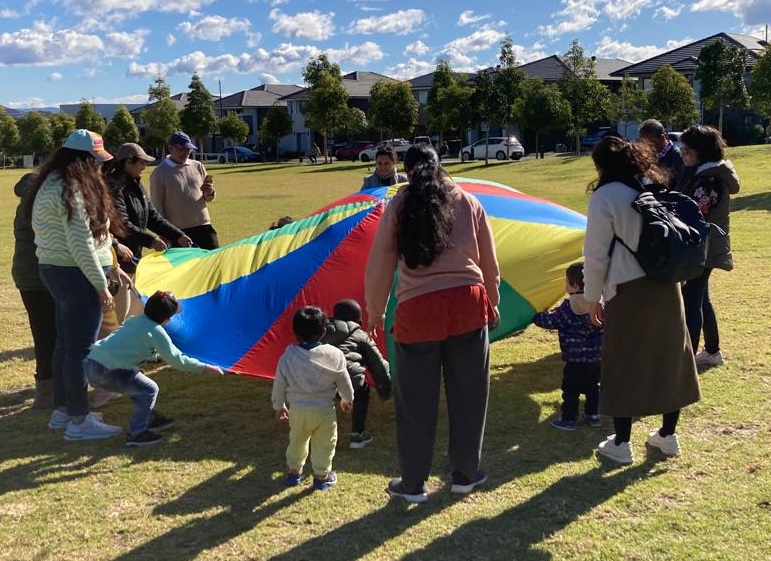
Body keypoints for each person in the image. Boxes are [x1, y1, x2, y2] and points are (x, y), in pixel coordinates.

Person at [365, 143, 500, 503]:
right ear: (441, 166)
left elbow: (382, 260)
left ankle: (412, 484)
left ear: (405, 170)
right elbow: (489, 260)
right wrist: (494, 302)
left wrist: (375, 311)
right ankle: (466, 474)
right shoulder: (468, 201)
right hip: (468, 305)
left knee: (415, 403)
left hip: (417, 312)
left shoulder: (400, 204)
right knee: (470, 396)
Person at [583, 135, 701, 464]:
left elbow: (595, 255)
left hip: (627, 288)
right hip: (666, 283)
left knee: (623, 363)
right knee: (670, 358)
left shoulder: (605, 196)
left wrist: (592, 298)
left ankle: (621, 443)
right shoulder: (652, 186)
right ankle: (668, 435)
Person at [28, 129, 128, 440]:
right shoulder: (73, 189)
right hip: (76, 275)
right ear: (82, 160)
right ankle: (79, 420)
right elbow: (81, 243)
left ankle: (63, 410)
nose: (99, 167)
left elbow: (88, 235)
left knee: (65, 344)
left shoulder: (50, 183)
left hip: (56, 271)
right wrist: (100, 285)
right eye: (95, 161)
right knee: (80, 350)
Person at [83, 290, 224, 446]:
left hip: (91, 364)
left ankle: (150, 417)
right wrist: (206, 368)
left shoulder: (135, 320)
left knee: (137, 381)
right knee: (149, 389)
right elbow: (178, 361)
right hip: (108, 372)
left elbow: (134, 345)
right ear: (166, 319)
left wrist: (155, 355)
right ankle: (136, 433)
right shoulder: (155, 331)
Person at [104, 142, 192, 322]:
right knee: (119, 312)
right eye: (141, 162)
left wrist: (177, 235)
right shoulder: (114, 187)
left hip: (134, 257)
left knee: (134, 309)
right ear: (129, 162)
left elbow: (152, 217)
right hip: (117, 259)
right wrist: (151, 241)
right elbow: (122, 223)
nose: (145, 166)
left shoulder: (136, 185)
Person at [272, 306, 354, 491]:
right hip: (324, 410)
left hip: (298, 410)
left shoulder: (288, 356)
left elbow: (279, 384)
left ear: (294, 332)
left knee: (297, 440)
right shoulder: (334, 355)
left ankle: (294, 472)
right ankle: (321, 476)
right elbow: (344, 381)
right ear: (324, 331)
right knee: (325, 444)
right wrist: (346, 399)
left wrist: (279, 405)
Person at [678, 125, 740, 367]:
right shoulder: (705, 175)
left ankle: (687, 360)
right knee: (701, 298)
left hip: (704, 249)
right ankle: (712, 352)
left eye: (687, 151)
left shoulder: (708, 180)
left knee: (692, 299)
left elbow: (694, 214)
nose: (682, 155)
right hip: (706, 247)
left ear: (701, 152)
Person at [532, 262, 603, 431]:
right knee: (593, 387)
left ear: (575, 285)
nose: (565, 286)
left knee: (571, 389)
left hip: (575, 358)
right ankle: (593, 415)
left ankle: (568, 419)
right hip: (596, 358)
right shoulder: (599, 305)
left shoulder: (568, 307)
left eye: (566, 282)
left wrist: (536, 317)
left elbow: (551, 321)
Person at [322, 299, 392, 449]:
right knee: (362, 391)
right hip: (349, 379)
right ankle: (357, 435)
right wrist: (385, 390)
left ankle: (315, 435)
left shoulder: (320, 330)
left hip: (318, 379)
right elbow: (378, 365)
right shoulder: (360, 335)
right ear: (359, 320)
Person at [13, 172, 56, 409]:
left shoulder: (27, 204)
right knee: (46, 335)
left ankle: (49, 389)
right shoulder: (35, 208)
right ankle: (45, 393)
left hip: (31, 275)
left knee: (46, 333)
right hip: (36, 277)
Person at [149, 131, 218, 250]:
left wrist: (210, 192)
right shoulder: (158, 173)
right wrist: (164, 233)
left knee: (213, 263)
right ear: (170, 148)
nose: (186, 153)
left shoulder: (198, 166)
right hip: (177, 232)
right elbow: (157, 206)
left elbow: (208, 198)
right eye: (182, 149)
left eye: (188, 149)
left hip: (204, 226)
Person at [638, 119, 689, 189]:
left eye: (649, 143)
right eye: (642, 142)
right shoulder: (649, 156)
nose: (645, 146)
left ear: (662, 138)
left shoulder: (677, 157)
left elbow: (679, 187)